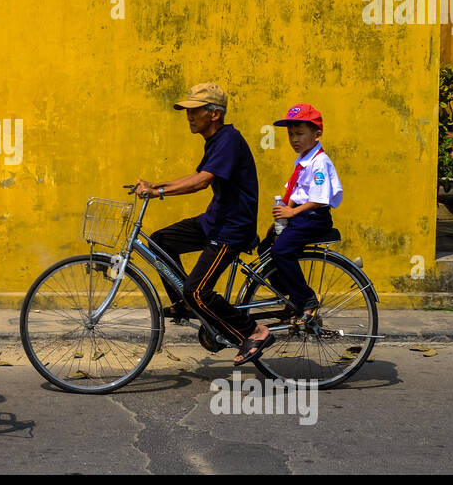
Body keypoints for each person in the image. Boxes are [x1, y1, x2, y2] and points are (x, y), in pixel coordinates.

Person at [134, 82, 271, 366]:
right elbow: (198, 174)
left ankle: (253, 332)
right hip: (215, 220)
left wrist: (158, 193)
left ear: (214, 114)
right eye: (188, 111)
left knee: (197, 290)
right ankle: (186, 305)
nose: (189, 116)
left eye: (194, 111)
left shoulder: (229, 139)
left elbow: (202, 182)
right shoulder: (217, 140)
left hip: (231, 228)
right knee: (161, 240)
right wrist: (156, 184)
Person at [263, 103, 344, 325]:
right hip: (299, 216)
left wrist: (292, 211)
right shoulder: (302, 161)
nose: (294, 139)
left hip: (313, 218)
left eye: (299, 134)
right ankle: (289, 296)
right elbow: (294, 191)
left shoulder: (319, 162)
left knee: (281, 250)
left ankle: (306, 300)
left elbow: (318, 199)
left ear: (316, 135)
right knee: (266, 247)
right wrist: (283, 217)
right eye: (291, 134)